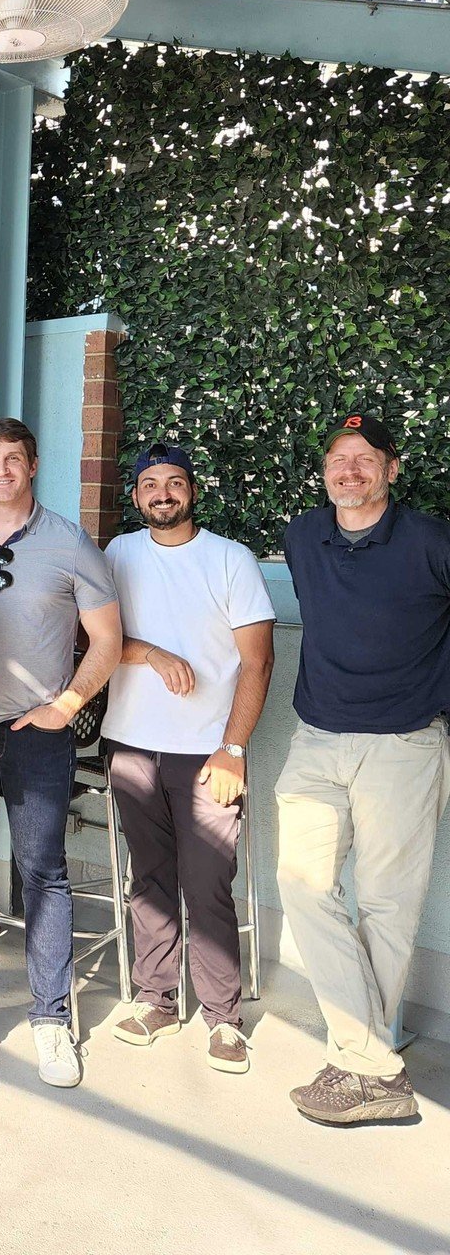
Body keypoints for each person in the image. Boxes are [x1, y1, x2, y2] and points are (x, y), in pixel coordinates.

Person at [0, 417, 122, 1089]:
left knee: (44, 871)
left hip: (36, 735)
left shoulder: (70, 542)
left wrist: (65, 707)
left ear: (33, 465)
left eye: (14, 459)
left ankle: (50, 1017)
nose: (2, 470)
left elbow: (107, 640)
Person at [276, 413, 450, 1125]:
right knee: (303, 885)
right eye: (337, 459)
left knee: (386, 905)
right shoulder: (302, 536)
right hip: (316, 739)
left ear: (391, 468)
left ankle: (358, 1066)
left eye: (364, 458)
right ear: (324, 472)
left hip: (404, 746)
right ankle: (374, 1064)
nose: (350, 470)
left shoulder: (433, 542)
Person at [100, 442, 275, 1074]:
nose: (162, 494)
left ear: (192, 491)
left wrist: (233, 750)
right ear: (138, 495)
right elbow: (96, 640)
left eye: (175, 483)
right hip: (132, 744)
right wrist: (150, 654)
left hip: (208, 754)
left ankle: (224, 1017)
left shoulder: (230, 559)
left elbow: (258, 662)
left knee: (207, 884)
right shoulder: (118, 554)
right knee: (148, 878)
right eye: (150, 484)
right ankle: (157, 999)